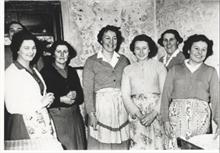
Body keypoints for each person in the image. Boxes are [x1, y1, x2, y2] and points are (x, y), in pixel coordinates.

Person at [4, 30, 62, 149]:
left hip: (42, 122)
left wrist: (47, 100)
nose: (31, 51)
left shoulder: (33, 69)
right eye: (26, 48)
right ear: (17, 49)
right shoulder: (10, 73)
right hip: (24, 125)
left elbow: (37, 94)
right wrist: (40, 103)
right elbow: (11, 107)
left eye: (33, 47)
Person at [160, 34, 220, 149]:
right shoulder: (175, 69)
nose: (200, 52)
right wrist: (165, 120)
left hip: (200, 121)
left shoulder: (210, 71)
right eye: (196, 48)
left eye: (204, 49)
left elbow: (217, 99)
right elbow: (165, 96)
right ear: (188, 49)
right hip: (176, 120)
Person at [83, 25, 130, 150]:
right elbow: (87, 91)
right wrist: (91, 114)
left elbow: (128, 86)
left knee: (121, 142)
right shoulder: (91, 61)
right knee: (102, 143)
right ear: (101, 40)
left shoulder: (124, 60)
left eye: (114, 38)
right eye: (107, 38)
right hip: (102, 107)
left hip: (121, 107)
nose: (111, 42)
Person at [121, 34, 167, 149]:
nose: (141, 52)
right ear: (133, 50)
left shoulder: (160, 67)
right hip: (136, 113)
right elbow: (125, 95)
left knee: (158, 145)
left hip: (156, 111)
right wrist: (138, 114)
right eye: (137, 48)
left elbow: (165, 93)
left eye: (144, 48)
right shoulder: (127, 70)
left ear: (149, 49)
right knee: (139, 146)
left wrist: (154, 113)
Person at [40, 40, 87, 150]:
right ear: (53, 53)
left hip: (75, 117)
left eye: (65, 52)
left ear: (69, 54)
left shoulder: (71, 71)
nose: (62, 55)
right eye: (58, 51)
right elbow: (43, 99)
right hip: (58, 118)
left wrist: (75, 94)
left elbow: (81, 97)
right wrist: (61, 99)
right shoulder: (46, 72)